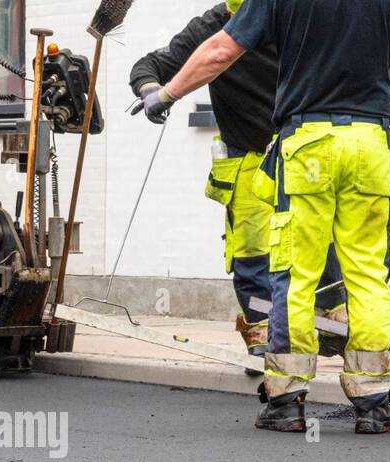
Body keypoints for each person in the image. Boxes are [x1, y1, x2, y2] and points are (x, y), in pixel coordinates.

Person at [141, 0, 390, 434]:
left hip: (308, 147)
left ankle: (287, 401)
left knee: (297, 274)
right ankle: (373, 402)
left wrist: (167, 93)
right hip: (370, 145)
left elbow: (220, 51)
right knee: (366, 276)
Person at [129, 0, 347, 358]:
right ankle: (260, 328)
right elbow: (149, 65)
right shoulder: (208, 28)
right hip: (247, 155)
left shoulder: (291, 17)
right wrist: (151, 90)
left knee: (317, 234)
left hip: (301, 147)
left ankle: (332, 316)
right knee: (251, 247)